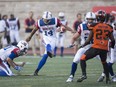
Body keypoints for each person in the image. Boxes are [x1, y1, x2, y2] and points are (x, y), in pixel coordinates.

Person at [26, 11, 74, 76]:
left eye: (47, 20)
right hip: (45, 38)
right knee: (48, 45)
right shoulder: (39, 22)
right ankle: (50, 52)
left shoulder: (55, 20)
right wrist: (30, 37)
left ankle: (36, 70)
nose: (46, 21)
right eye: (45, 19)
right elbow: (34, 30)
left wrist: (71, 30)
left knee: (45, 56)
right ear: (43, 18)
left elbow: (63, 26)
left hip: (53, 38)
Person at [76, 10, 115, 84]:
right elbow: (112, 40)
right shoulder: (109, 27)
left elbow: (88, 40)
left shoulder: (94, 26)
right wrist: (112, 48)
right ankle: (107, 78)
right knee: (104, 63)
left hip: (96, 47)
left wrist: (82, 46)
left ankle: (84, 75)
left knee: (82, 58)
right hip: (104, 49)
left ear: (97, 18)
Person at [66, 12, 96, 82]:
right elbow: (74, 37)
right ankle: (71, 76)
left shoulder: (97, 26)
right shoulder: (82, 26)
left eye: (92, 19)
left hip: (95, 47)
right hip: (84, 47)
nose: (91, 21)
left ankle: (110, 75)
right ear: (86, 19)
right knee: (76, 60)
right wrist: (71, 43)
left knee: (106, 60)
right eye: (89, 19)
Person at [97, 13, 116, 82]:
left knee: (110, 61)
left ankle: (104, 75)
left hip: (111, 46)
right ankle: (110, 76)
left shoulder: (110, 27)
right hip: (111, 47)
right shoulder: (110, 28)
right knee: (111, 61)